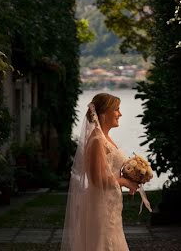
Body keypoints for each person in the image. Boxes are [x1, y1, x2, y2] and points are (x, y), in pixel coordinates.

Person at [61, 92, 138, 251]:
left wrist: (134, 175)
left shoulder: (104, 138)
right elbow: (97, 179)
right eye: (116, 109)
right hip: (101, 204)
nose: (120, 114)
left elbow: (110, 171)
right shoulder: (97, 140)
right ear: (103, 113)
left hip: (110, 202)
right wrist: (125, 181)